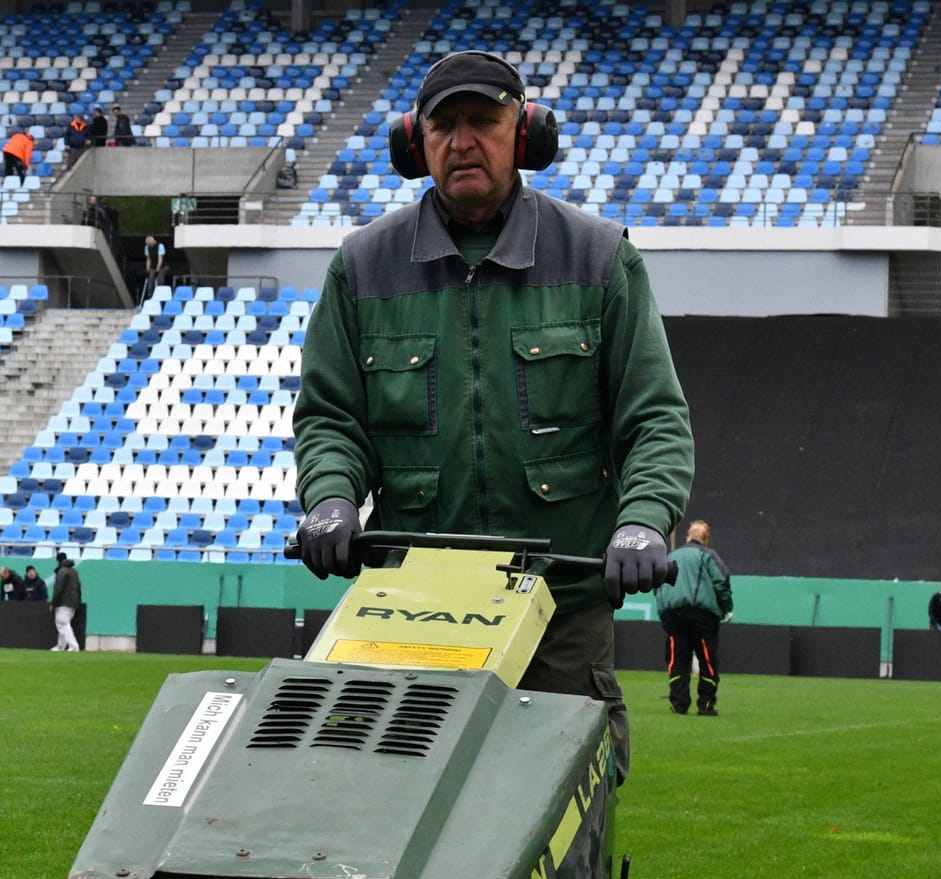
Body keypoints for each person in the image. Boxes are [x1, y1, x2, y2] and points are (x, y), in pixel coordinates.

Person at [290, 49, 694, 781]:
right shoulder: (361, 266)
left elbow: (654, 417)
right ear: (417, 144)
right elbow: (330, 417)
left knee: (556, 830)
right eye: (445, 125)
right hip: (407, 612)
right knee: (384, 818)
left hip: (559, 618)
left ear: (525, 132)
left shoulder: (602, 260)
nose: (463, 140)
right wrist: (329, 499)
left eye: (484, 121)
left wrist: (644, 517)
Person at [656, 520, 733, 716]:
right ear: (706, 539)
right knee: (707, 658)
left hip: (672, 614)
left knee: (677, 658)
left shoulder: (671, 556)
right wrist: (726, 608)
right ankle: (706, 704)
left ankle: (679, 703)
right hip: (701, 614)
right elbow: (721, 580)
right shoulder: (707, 555)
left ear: (687, 536)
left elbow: (658, 585)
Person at [49, 552, 82, 651]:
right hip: (73, 602)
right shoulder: (74, 571)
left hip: (64, 602)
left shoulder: (62, 572)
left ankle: (73, 645)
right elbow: (79, 587)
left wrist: (53, 603)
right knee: (64, 623)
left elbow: (58, 589)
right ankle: (61, 646)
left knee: (62, 622)